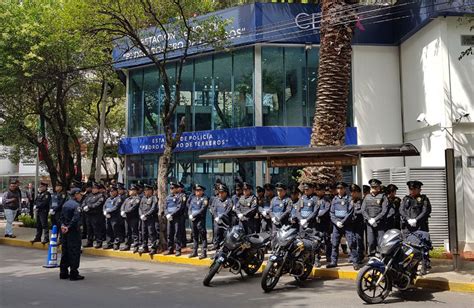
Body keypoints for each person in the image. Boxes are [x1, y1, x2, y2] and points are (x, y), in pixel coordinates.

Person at [400, 180, 432, 273]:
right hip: (407, 227)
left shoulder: (424, 199)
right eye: (411, 189)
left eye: (414, 189)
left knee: (422, 247)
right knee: (407, 246)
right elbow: (401, 210)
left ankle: (425, 265)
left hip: (420, 226)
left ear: (419, 189)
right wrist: (408, 219)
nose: (412, 191)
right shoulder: (406, 199)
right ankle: (409, 266)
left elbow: (425, 211)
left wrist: (416, 220)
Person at [327, 182, 357, 269]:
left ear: (344, 189)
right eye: (338, 188)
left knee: (351, 243)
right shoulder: (334, 199)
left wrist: (342, 222)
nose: (339, 190)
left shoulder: (349, 199)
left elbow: (350, 213)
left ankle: (355, 262)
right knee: (335, 244)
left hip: (347, 225)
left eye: (341, 188)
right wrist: (336, 222)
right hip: (337, 225)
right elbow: (331, 213)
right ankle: (333, 261)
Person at [59, 188, 84, 281]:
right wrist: (68, 227)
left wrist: (63, 226)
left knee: (65, 251)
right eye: (80, 194)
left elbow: (61, 217)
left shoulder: (66, 204)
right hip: (73, 231)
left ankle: (63, 272)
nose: (81, 196)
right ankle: (74, 273)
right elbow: (76, 218)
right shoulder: (77, 205)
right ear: (76, 194)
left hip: (64, 231)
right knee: (74, 252)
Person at [361, 179, 389, 256]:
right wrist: (369, 219)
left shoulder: (383, 196)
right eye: (372, 187)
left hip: (380, 223)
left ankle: (381, 255)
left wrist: (375, 219)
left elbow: (384, 211)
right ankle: (372, 255)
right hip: (369, 223)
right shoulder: (367, 197)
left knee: (380, 241)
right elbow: (363, 210)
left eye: (375, 187)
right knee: (371, 241)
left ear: (379, 188)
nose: (374, 189)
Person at [188, 184, 209, 259]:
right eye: (196, 191)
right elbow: (190, 208)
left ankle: (204, 252)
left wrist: (194, 215)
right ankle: (195, 251)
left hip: (200, 220)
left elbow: (202, 210)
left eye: (199, 191)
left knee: (203, 237)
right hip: (193, 220)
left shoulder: (205, 199)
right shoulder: (193, 198)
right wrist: (190, 214)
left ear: (202, 191)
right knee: (194, 236)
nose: (197, 192)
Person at [82, 182, 106, 248]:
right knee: (89, 229)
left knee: (97, 229)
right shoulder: (89, 195)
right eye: (93, 188)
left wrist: (89, 207)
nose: (93, 189)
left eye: (95, 188)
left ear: (98, 189)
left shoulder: (101, 196)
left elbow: (98, 204)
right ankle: (89, 242)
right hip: (88, 214)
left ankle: (99, 242)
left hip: (96, 215)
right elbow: (84, 201)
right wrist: (84, 206)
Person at [165, 182, 186, 256]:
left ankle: (178, 250)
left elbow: (179, 207)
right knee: (169, 234)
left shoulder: (180, 196)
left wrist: (171, 214)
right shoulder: (168, 197)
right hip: (169, 218)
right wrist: (167, 214)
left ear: (177, 189)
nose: (171, 190)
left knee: (177, 234)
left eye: (173, 188)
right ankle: (170, 249)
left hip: (177, 218)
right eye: (170, 188)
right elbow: (165, 207)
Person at [211, 183, 233, 250]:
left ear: (226, 193)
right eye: (219, 192)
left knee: (225, 239)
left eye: (222, 192)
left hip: (225, 223)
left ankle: (224, 253)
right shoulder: (216, 200)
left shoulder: (229, 201)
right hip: (217, 223)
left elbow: (228, 211)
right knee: (217, 239)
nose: (220, 194)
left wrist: (220, 216)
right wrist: (216, 217)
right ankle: (217, 254)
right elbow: (214, 210)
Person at [103, 185, 125, 250]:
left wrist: (108, 211)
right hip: (108, 217)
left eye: (113, 191)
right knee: (108, 230)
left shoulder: (118, 198)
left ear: (116, 191)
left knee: (116, 230)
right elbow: (104, 206)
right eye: (111, 191)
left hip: (115, 217)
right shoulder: (108, 199)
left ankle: (116, 243)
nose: (111, 193)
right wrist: (104, 212)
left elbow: (116, 207)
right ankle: (109, 243)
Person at [139, 184, 159, 255]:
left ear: (151, 191)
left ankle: (153, 248)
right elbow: (140, 207)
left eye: (147, 190)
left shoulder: (154, 198)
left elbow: (153, 208)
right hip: (143, 219)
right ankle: (145, 247)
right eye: (145, 190)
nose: (146, 192)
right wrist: (141, 214)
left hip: (150, 218)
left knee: (151, 233)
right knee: (144, 233)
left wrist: (146, 215)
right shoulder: (143, 198)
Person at [120, 184, 141, 252]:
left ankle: (136, 245)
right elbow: (123, 206)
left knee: (134, 232)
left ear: (135, 191)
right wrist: (122, 211)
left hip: (133, 217)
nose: (130, 191)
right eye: (130, 190)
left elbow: (134, 207)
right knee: (127, 232)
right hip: (127, 218)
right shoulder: (127, 199)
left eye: (132, 190)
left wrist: (125, 212)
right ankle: (127, 245)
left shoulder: (137, 199)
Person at [315, 184, 332, 266]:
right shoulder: (314, 199)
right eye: (317, 190)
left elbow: (326, 209)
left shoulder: (327, 199)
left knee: (327, 240)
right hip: (316, 224)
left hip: (325, 223)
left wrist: (317, 215)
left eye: (320, 190)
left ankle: (329, 256)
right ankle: (317, 258)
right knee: (316, 241)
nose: (318, 192)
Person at [350, 184, 365, 267]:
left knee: (359, 240)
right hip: (351, 224)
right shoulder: (349, 200)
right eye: (351, 192)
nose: (352, 194)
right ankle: (354, 256)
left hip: (359, 223)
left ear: (358, 193)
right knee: (352, 241)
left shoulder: (362, 201)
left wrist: (354, 212)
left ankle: (360, 256)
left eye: (354, 192)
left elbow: (362, 211)